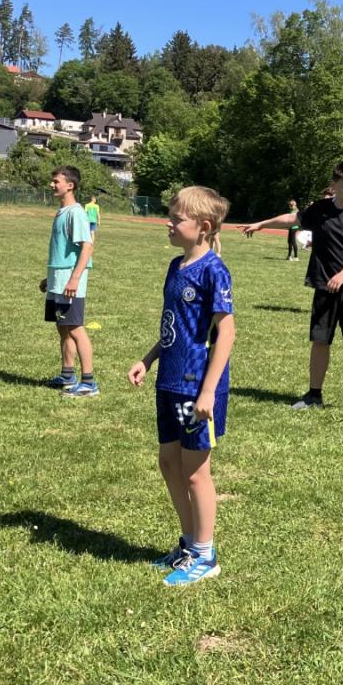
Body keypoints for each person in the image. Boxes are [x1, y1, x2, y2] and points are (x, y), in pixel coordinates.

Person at [128, 186, 235, 587]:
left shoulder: (214, 271)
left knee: (195, 473)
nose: (168, 224)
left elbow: (226, 334)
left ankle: (206, 556)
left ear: (203, 227)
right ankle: (189, 544)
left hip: (196, 387)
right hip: (169, 381)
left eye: (177, 219)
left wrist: (208, 390)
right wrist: (148, 359)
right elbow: (173, 328)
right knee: (169, 464)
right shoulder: (176, 266)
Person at [242, 161, 343, 415]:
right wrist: (262, 224)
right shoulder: (321, 209)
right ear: (333, 186)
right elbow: (293, 219)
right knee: (320, 340)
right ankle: (314, 395)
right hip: (325, 284)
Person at [41, 166, 97, 397]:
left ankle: (89, 382)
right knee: (63, 327)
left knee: (75, 328)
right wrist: (50, 278)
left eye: (56, 181)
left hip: (69, 281)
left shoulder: (76, 213)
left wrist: (74, 279)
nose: (52, 185)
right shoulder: (62, 211)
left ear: (70, 185)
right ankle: (67, 374)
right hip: (59, 279)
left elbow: (87, 246)